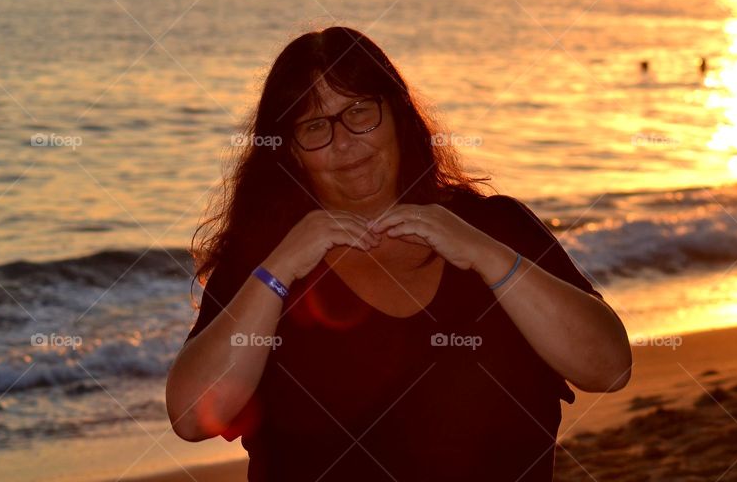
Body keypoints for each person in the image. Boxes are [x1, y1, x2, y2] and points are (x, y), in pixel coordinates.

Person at [165, 26, 632, 481]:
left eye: (360, 111)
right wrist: (280, 268)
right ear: (290, 151)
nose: (345, 141)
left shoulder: (494, 228)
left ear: (398, 114)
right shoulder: (266, 262)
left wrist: (485, 255)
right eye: (314, 126)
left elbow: (609, 368)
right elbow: (192, 417)